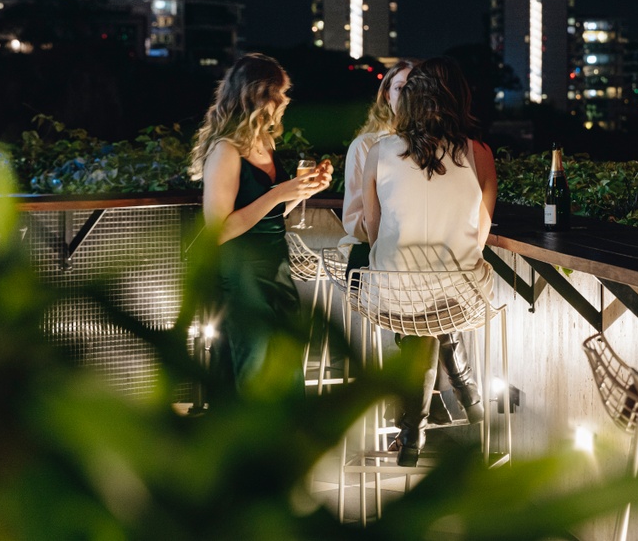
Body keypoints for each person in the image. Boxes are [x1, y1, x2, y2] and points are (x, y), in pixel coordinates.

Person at [362, 57, 496, 466]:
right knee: (438, 312)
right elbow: (482, 230)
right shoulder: (478, 153)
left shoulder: (379, 151)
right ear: (458, 99)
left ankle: (412, 432)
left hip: (392, 294)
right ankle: (468, 398)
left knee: (419, 322)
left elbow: (372, 225)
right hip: (458, 295)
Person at [190, 53, 333, 393]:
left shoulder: (265, 143)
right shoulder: (226, 151)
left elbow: (271, 213)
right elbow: (219, 230)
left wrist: (302, 191)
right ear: (254, 96)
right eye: (277, 93)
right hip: (242, 275)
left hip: (276, 267)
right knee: (253, 372)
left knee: (283, 366)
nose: (284, 101)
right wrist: (277, 193)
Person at [338, 58, 418, 277]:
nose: (407, 95)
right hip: (368, 249)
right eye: (400, 88)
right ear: (387, 95)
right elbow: (353, 220)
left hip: (414, 252)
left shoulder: (431, 147)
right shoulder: (365, 145)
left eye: (414, 88)